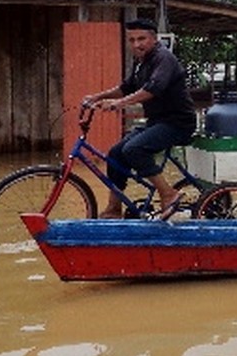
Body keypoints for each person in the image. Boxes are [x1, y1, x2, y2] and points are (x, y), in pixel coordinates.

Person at [82, 18, 197, 219]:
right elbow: (126, 87)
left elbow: (154, 88)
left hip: (178, 123)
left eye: (141, 39)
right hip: (157, 122)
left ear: (153, 39)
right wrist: (97, 97)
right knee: (115, 153)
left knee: (134, 149)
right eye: (132, 40)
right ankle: (114, 208)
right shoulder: (141, 62)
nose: (136, 44)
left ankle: (168, 194)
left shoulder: (164, 59)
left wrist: (120, 104)